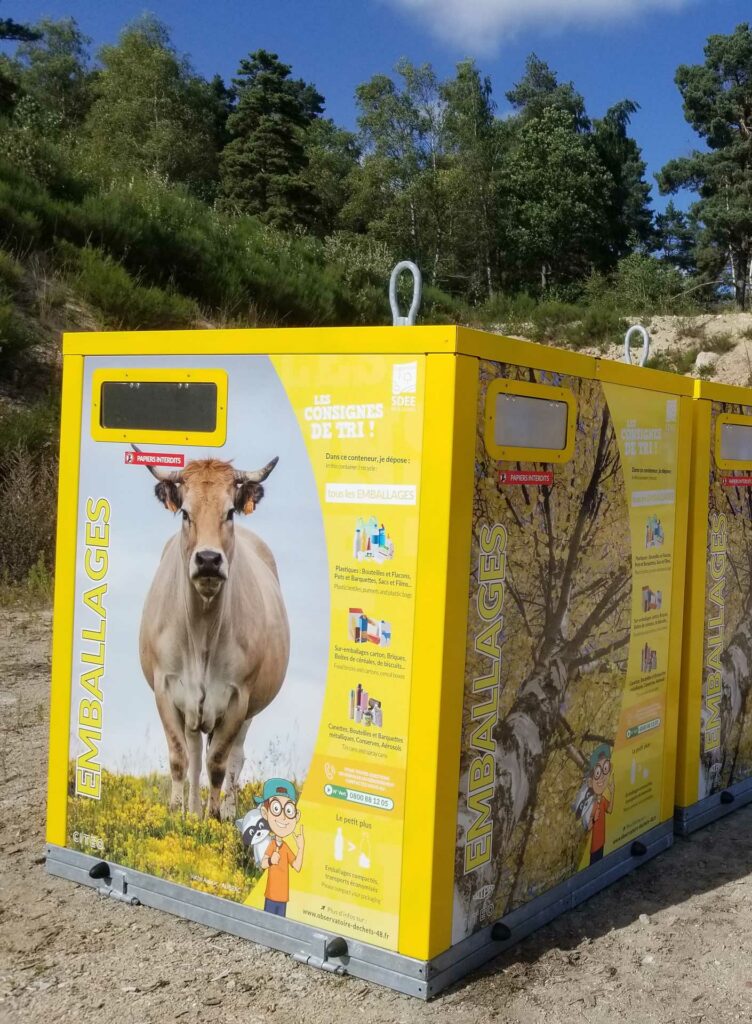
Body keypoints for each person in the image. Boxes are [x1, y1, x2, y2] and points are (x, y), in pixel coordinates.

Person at [255, 778, 304, 917]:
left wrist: (301, 848)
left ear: (296, 815)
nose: (283, 817)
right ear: (265, 813)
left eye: (289, 811)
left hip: (283, 898)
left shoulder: (286, 847)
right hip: (271, 896)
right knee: (267, 921)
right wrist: (271, 860)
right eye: (276, 809)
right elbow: (263, 864)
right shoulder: (271, 845)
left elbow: (297, 866)